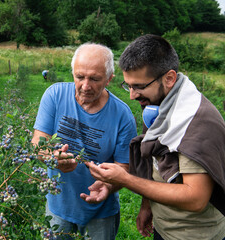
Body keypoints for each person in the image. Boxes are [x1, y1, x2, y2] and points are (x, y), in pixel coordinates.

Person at [82, 34, 225, 240]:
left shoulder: (197, 124)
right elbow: (157, 161)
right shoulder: (161, 105)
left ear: (169, 78)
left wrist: (126, 179)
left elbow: (196, 198)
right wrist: (147, 204)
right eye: (128, 85)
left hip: (192, 234)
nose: (132, 95)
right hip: (165, 227)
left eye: (139, 86)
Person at [31, 43, 137, 239]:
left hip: (101, 213)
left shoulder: (123, 115)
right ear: (72, 73)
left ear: (109, 79)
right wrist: (53, 157)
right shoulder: (54, 95)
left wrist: (109, 186)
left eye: (95, 79)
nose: (85, 86)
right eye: (80, 77)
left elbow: (124, 167)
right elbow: (38, 142)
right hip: (57, 207)